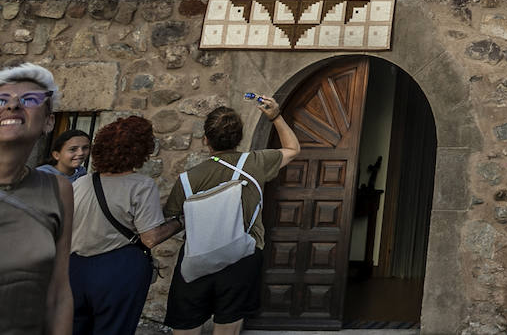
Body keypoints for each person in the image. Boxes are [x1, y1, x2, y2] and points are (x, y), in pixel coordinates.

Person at [162, 97, 300, 335]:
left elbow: (172, 216)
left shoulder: (187, 178)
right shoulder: (255, 162)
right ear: (239, 138)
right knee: (228, 329)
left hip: (197, 258)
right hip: (241, 256)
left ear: (206, 139)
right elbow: (293, 149)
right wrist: (275, 116)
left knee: (186, 327)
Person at [70, 116, 182, 335]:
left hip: (75, 269)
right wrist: (180, 222)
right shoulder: (141, 185)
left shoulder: (82, 183)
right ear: (140, 150)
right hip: (117, 270)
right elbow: (150, 237)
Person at [0, 62, 74, 335]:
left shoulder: (58, 189)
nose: (13, 106)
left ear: (48, 121)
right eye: (1, 99)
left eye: (29, 99)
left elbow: (59, 291)